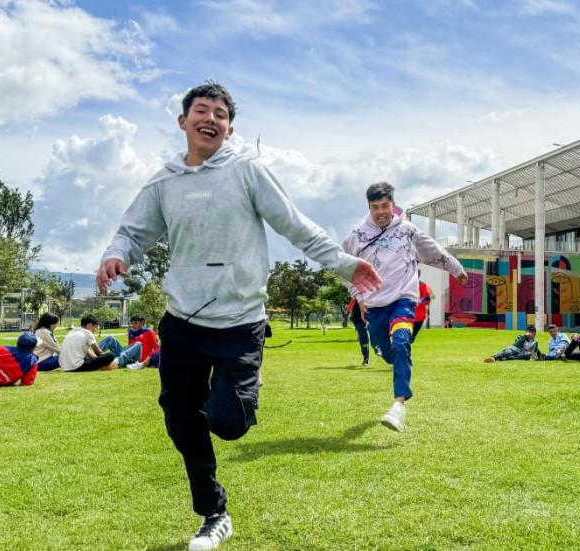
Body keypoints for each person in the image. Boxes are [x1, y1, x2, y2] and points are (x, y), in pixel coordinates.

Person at [96, 82, 381, 551]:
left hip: (240, 320)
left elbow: (294, 223)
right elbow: (131, 231)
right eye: (202, 111)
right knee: (180, 417)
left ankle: (242, 393)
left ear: (229, 128)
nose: (211, 119)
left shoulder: (247, 171)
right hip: (183, 318)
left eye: (221, 114)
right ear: (183, 121)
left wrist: (345, 264)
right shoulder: (164, 181)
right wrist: (115, 254)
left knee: (227, 421)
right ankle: (214, 514)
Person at [342, 182, 466, 433]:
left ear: (393, 205)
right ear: (369, 207)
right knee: (389, 353)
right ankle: (384, 353)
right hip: (375, 306)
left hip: (403, 300)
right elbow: (342, 267)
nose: (381, 212)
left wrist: (456, 269)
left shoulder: (407, 231)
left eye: (385, 206)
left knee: (401, 343)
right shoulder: (357, 236)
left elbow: (434, 251)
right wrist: (360, 296)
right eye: (375, 207)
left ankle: (398, 405)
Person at [347, 298, 370, 366]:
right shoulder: (354, 298)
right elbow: (350, 308)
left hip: (370, 319)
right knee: (364, 340)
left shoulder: (369, 295)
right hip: (358, 321)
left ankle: (377, 347)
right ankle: (366, 359)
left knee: (375, 334)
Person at [412, 276, 431, 343]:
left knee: (411, 337)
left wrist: (419, 302)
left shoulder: (422, 285)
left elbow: (427, 299)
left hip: (419, 316)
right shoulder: (404, 283)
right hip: (408, 315)